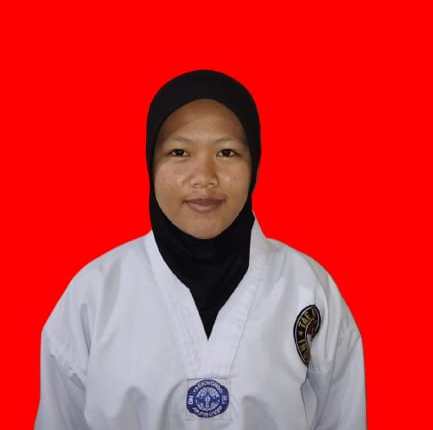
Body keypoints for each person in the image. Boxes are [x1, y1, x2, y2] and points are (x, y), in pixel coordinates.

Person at [35, 69, 366, 429]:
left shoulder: (307, 290)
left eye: (227, 152)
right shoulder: (95, 295)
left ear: (254, 162)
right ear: (151, 163)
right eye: (179, 152)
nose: (204, 176)